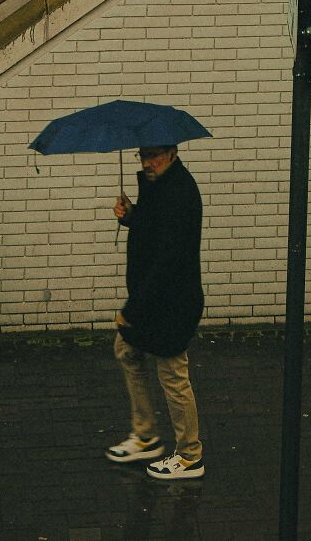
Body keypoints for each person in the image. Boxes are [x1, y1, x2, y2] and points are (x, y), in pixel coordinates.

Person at [104, 144, 205, 480]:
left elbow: (167, 260)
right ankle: (146, 435)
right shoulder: (159, 186)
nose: (147, 163)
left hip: (171, 301)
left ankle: (190, 456)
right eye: (143, 157)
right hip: (154, 298)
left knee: (173, 375)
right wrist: (132, 215)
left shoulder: (180, 193)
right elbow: (153, 229)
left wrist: (131, 309)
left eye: (154, 156)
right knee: (126, 351)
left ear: (173, 153)